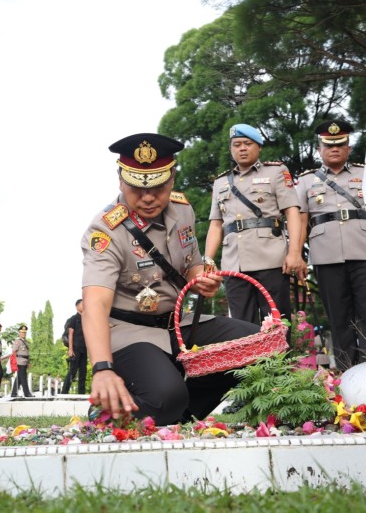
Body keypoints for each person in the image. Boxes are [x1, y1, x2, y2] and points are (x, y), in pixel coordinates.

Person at [81, 133, 259, 425]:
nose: (149, 197)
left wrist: (204, 280)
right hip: (130, 331)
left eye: (159, 187)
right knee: (166, 397)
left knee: (260, 343)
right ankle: (118, 410)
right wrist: (102, 368)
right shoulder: (104, 230)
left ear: (173, 179)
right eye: (136, 188)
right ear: (121, 182)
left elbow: (192, 266)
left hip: (178, 323)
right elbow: (95, 304)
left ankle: (183, 411)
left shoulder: (183, 209)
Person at [295, 120, 366, 370]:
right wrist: (296, 255)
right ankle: (348, 374)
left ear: (348, 148)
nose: (334, 149)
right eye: (328, 145)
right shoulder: (305, 181)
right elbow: (301, 219)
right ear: (319, 149)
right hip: (326, 254)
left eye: (340, 144)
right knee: (338, 317)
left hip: (365, 250)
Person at [204, 124, 302, 325]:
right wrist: (207, 260)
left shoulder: (276, 172)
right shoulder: (220, 183)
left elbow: (292, 212)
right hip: (234, 262)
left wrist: (294, 252)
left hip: (271, 258)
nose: (242, 148)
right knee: (242, 326)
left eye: (247, 144)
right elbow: (216, 225)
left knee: (277, 324)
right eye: (236, 144)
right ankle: (251, 359)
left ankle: (280, 358)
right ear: (231, 149)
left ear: (258, 147)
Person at [61, 299, 88, 394]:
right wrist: (70, 350)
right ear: (77, 306)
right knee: (72, 371)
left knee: (83, 372)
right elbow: (70, 335)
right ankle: (64, 392)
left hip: (84, 349)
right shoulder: (73, 319)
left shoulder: (86, 319)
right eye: (82, 305)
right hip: (75, 348)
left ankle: (82, 393)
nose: (84, 306)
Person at [10, 325, 33, 397]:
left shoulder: (26, 342)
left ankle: (14, 393)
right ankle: (27, 393)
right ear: (19, 333)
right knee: (23, 377)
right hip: (19, 361)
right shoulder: (18, 341)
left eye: (25, 332)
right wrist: (14, 362)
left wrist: (28, 362)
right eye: (22, 332)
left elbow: (27, 353)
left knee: (19, 378)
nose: (23, 334)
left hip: (25, 361)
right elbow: (14, 351)